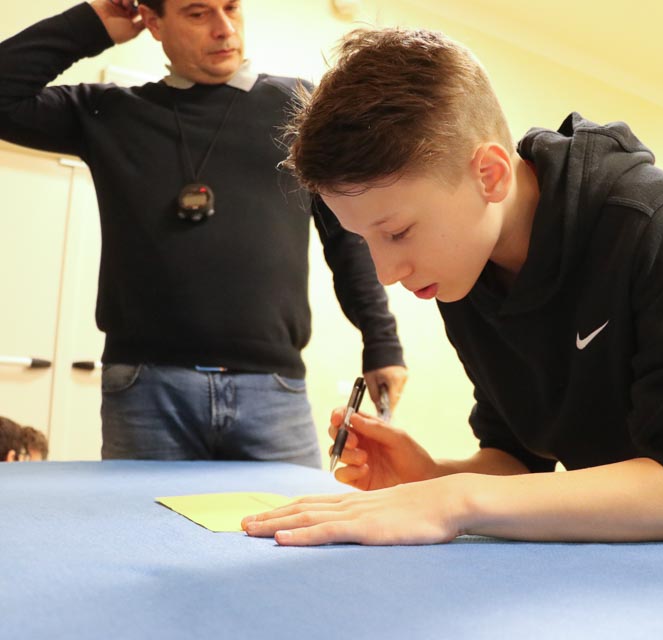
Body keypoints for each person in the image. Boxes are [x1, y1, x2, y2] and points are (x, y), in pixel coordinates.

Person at [240, 26, 663, 552]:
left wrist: (456, 501)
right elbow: (518, 458)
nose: (385, 273)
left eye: (397, 232)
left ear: (490, 175)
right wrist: (431, 477)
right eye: (365, 241)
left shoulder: (652, 219)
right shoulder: (463, 274)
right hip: (660, 539)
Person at [0, 1, 407, 468]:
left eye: (231, 7)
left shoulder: (299, 107)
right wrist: (92, 24)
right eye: (198, 13)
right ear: (154, 23)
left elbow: (346, 239)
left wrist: (381, 341)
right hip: (147, 391)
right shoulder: (111, 113)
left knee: (294, 517)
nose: (224, 28)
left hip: (272, 390)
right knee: (146, 519)